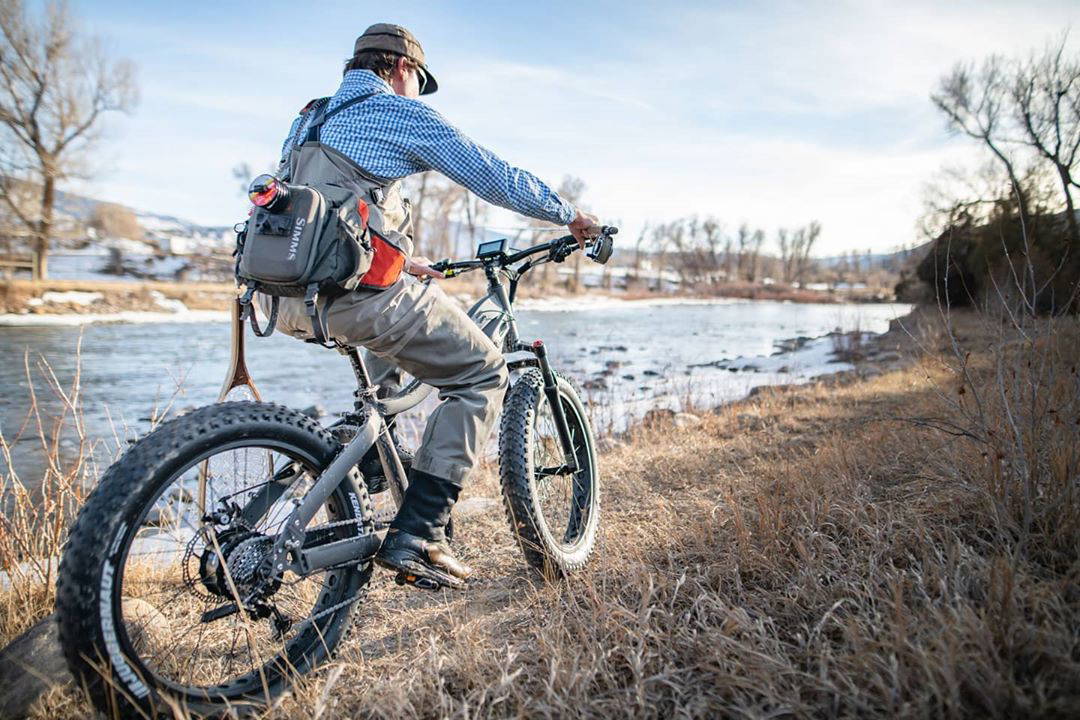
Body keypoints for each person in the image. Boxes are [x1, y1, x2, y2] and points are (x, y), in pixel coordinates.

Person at [258, 23, 600, 589]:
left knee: (393, 368)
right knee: (481, 371)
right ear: (399, 68)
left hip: (290, 301)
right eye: (418, 79)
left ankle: (367, 460)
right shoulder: (395, 111)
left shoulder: (309, 119)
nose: (417, 90)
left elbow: (322, 211)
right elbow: (489, 172)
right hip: (351, 300)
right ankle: (421, 532)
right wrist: (567, 213)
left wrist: (398, 259)